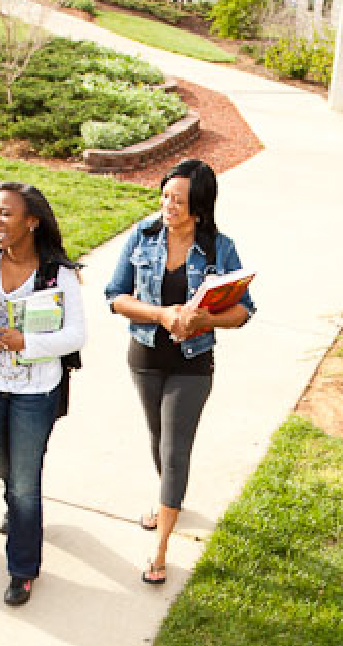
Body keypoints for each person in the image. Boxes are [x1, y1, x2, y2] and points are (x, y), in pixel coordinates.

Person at [102, 159, 254, 585]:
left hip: (193, 365)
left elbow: (244, 311)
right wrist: (161, 314)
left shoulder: (220, 248)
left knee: (174, 449)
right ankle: (170, 500)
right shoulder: (142, 236)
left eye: (178, 200)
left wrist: (204, 320)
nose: (168, 206)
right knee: (158, 440)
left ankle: (160, 549)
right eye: (165, 195)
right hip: (145, 358)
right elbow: (115, 296)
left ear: (199, 208)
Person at [0, 182, 86, 606]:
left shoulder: (57, 273)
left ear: (31, 221)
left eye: (6, 214)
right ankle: (18, 513)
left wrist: (25, 344)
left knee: (23, 482)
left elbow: (75, 335)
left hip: (36, 391)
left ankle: (22, 569)